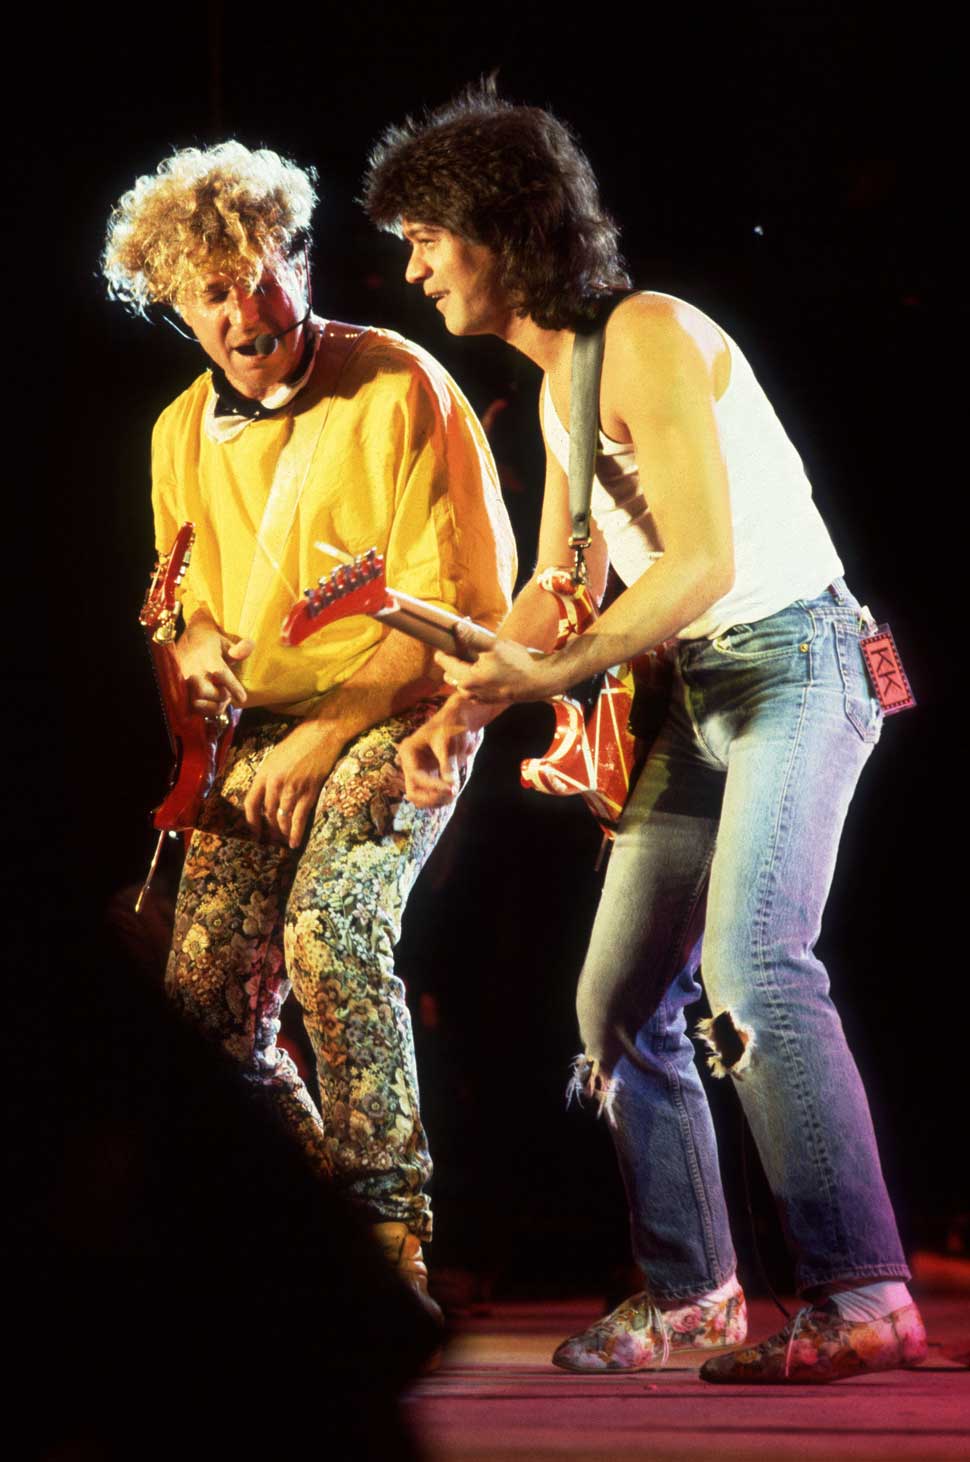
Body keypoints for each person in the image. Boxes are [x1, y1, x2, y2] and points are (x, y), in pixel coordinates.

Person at [362, 87, 927, 1381]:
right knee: (613, 1001)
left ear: (496, 229)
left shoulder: (649, 333)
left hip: (794, 660)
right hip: (696, 694)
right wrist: (459, 703)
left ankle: (865, 1289)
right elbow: (562, 591)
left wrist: (557, 662)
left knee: (754, 965)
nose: (411, 266)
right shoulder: (564, 381)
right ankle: (693, 1288)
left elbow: (698, 567)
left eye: (424, 235)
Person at [102, 141, 515, 1316]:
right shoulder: (177, 431)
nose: (255, 306)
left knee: (333, 937)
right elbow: (180, 602)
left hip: (401, 704)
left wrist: (322, 736)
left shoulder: (397, 385)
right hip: (268, 734)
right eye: (217, 289)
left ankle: (390, 1235)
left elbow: (450, 620)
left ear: (301, 254)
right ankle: (326, 1223)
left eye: (271, 266)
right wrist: (191, 652)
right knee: (203, 1016)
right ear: (175, 305)